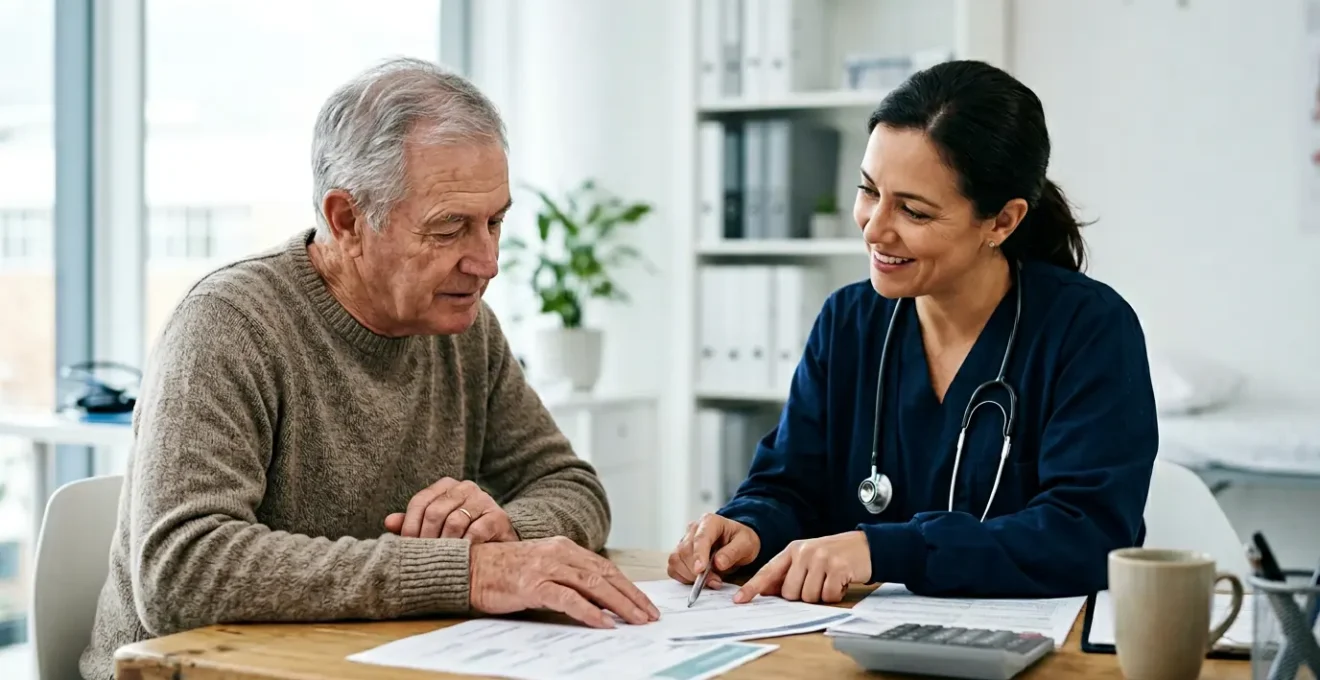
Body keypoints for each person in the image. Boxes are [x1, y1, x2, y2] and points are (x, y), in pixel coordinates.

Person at [80, 57, 659, 680]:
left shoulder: (463, 328)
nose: (487, 262)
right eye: (451, 229)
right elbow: (182, 570)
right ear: (347, 221)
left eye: (495, 222)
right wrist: (465, 571)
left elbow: (572, 486)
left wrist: (501, 532)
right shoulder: (228, 324)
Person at [668, 60, 1159, 604]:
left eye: (914, 211)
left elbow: (1087, 536)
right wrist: (749, 525)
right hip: (845, 644)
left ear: (1002, 222)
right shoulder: (848, 322)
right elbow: (789, 484)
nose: (874, 227)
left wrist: (882, 549)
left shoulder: (1087, 330)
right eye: (868, 190)